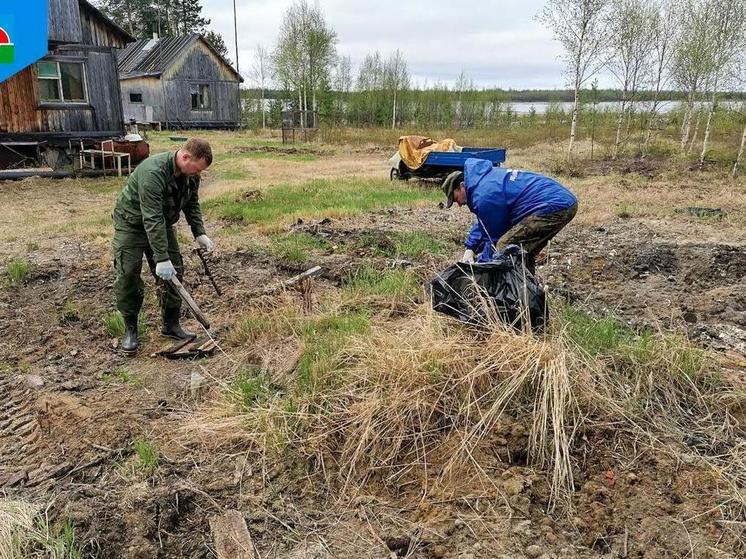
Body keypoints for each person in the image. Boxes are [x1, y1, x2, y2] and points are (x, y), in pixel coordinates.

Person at [111, 138, 215, 353]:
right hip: (132, 224)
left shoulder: (190, 175)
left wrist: (199, 233)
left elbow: (192, 203)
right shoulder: (153, 172)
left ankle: (170, 324)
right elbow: (151, 217)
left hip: (162, 223)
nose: (197, 175)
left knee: (174, 269)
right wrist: (161, 257)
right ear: (185, 157)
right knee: (128, 272)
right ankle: (131, 329)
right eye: (196, 169)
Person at [442, 158, 577, 272]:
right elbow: (484, 222)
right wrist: (470, 248)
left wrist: (479, 268)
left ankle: (508, 293)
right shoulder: (483, 182)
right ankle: (525, 292)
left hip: (553, 207)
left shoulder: (484, 196)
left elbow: (494, 238)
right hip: (562, 201)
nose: (458, 204)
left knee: (505, 248)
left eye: (455, 198)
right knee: (522, 251)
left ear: (461, 186)